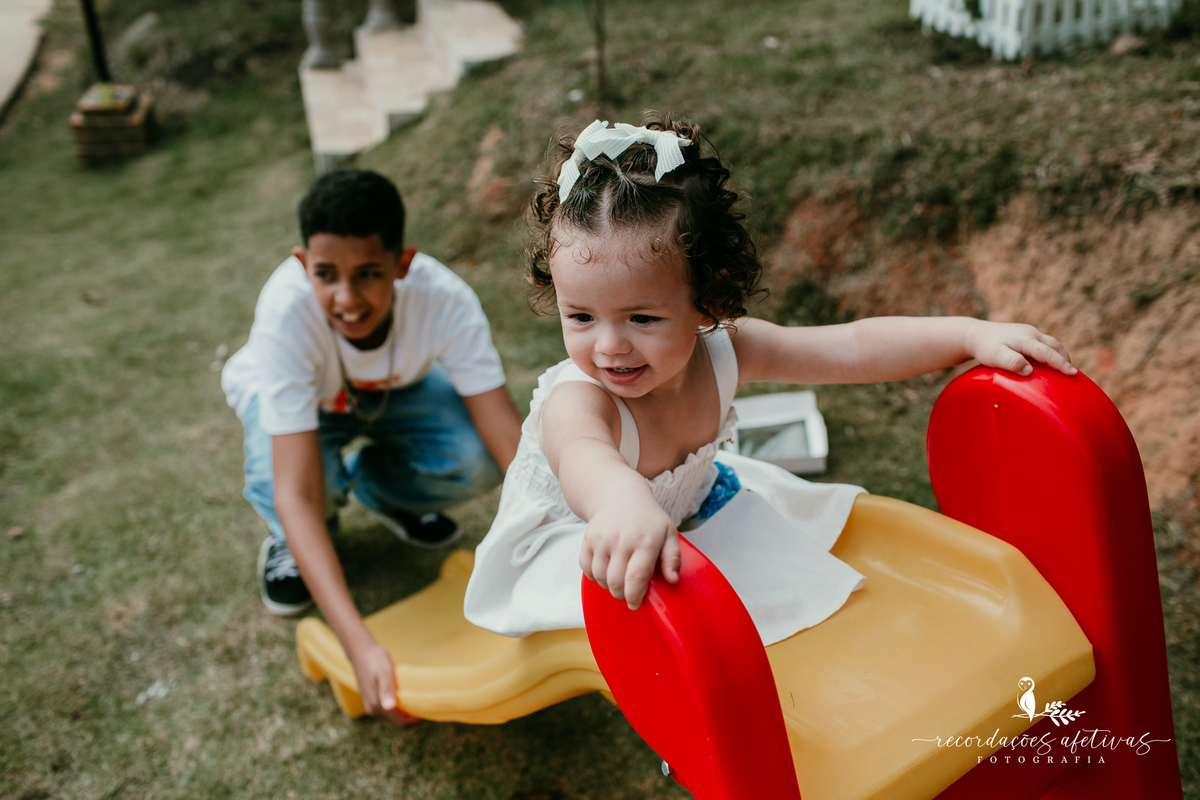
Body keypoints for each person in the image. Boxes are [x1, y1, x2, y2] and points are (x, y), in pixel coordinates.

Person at [462, 116, 1077, 645]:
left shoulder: (727, 350)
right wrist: (621, 501)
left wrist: (967, 335)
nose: (609, 344)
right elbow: (585, 463)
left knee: (801, 569)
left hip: (677, 517)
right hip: (585, 549)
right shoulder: (581, 400)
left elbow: (849, 348)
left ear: (707, 303)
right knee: (718, 617)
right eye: (581, 317)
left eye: (642, 318)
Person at [222, 169, 522, 724]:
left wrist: (559, 540)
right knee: (305, 485)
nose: (347, 297)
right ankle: (295, 539)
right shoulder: (286, 314)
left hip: (392, 390)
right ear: (300, 263)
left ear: (402, 265)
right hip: (297, 403)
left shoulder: (444, 298)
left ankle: (386, 492)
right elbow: (295, 490)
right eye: (326, 274)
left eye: (368, 274)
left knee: (472, 456)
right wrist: (358, 642)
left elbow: (506, 437)